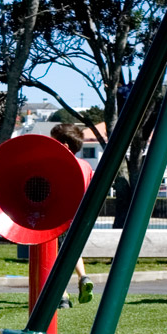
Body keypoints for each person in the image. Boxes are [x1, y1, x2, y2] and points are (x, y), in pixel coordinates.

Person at [49, 123, 95, 305]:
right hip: (79, 217)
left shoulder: (59, 165)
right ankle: (83, 277)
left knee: (55, 256)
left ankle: (62, 295)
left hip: (60, 216)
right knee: (73, 251)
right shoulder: (85, 166)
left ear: (64, 146)